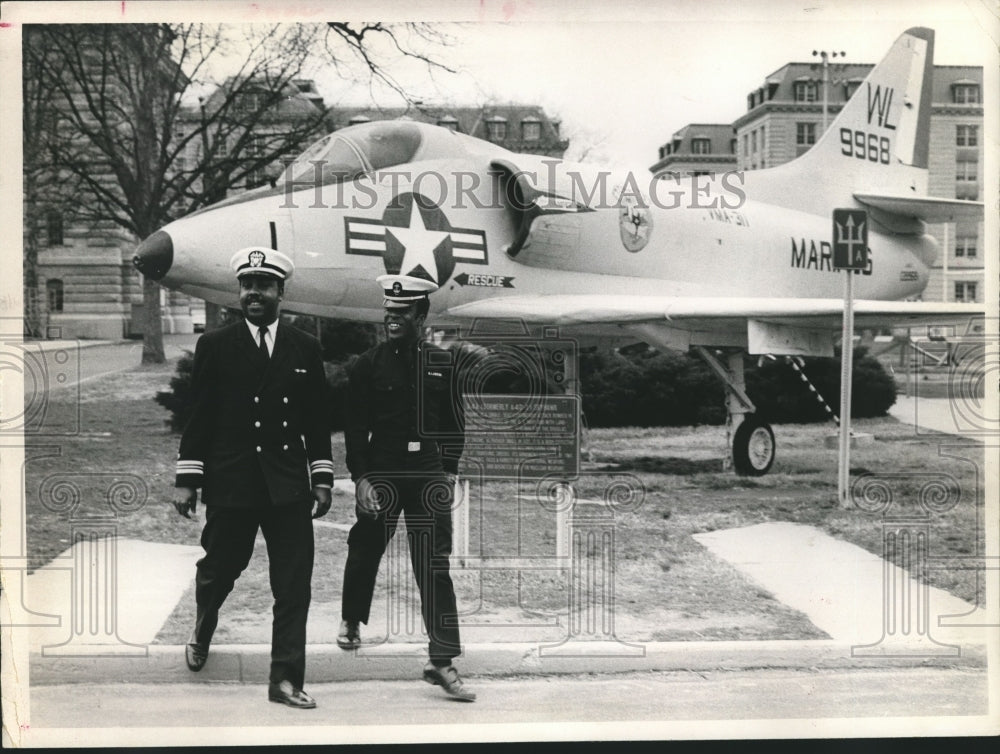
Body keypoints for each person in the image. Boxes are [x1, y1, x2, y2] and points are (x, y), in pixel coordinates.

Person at [172, 246, 334, 709]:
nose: (253, 293)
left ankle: (284, 679)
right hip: (232, 482)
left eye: (263, 286)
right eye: (247, 285)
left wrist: (321, 476)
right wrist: (188, 477)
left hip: (287, 485)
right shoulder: (216, 345)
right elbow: (199, 416)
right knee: (220, 569)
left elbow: (316, 419)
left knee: (293, 583)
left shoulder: (305, 347)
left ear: (280, 291)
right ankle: (204, 624)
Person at [337, 274, 475, 702]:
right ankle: (352, 620)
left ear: (421, 314)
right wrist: (360, 477)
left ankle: (442, 661)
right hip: (383, 471)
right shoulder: (366, 365)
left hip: (428, 471)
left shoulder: (443, 363)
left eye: (401, 313)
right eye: (388, 313)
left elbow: (454, 423)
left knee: (433, 565)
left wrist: (449, 472)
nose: (392, 319)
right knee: (365, 549)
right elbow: (356, 428)